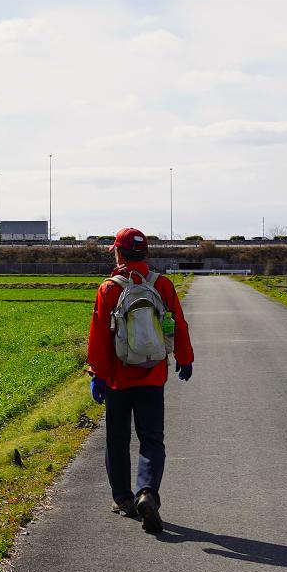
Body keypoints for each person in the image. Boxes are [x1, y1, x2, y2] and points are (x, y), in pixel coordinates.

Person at [86, 227, 194, 533]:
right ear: (145, 253)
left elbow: (99, 337)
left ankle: (123, 499)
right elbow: (178, 324)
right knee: (151, 440)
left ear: (119, 253)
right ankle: (147, 492)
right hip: (152, 375)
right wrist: (185, 359)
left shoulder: (109, 288)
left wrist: (98, 375)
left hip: (119, 379)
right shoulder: (162, 285)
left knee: (117, 440)